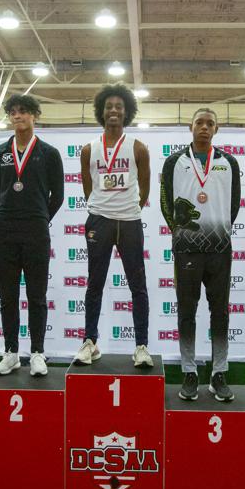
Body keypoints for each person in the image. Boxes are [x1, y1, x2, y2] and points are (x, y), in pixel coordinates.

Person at [160, 108, 241, 402]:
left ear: (216, 130)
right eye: (199, 123)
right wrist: (183, 233)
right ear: (190, 127)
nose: (204, 128)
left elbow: (232, 207)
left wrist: (216, 230)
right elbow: (166, 203)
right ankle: (189, 371)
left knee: (220, 313)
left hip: (220, 249)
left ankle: (219, 372)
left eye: (210, 124)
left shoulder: (229, 162)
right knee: (187, 313)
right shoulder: (174, 162)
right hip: (186, 250)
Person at [74, 85, 153, 368]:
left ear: (127, 111)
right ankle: (89, 342)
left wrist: (130, 206)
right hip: (99, 220)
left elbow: (145, 188)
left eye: (119, 106)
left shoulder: (137, 148)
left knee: (138, 286)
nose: (114, 110)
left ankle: (141, 346)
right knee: (94, 284)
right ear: (101, 111)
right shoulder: (88, 150)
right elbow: (87, 187)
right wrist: (102, 206)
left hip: (130, 221)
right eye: (109, 106)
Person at [0, 94, 64, 377]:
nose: (18, 116)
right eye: (13, 112)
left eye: (23, 111)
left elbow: (57, 195)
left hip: (36, 230)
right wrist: (12, 212)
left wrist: (41, 217)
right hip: (5, 230)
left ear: (35, 115)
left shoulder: (49, 153)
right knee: (7, 295)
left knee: (37, 295)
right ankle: (10, 352)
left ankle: (37, 352)